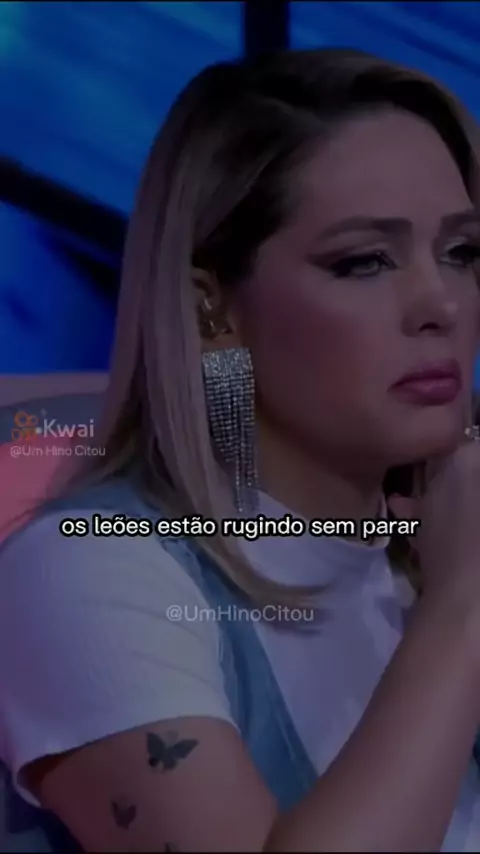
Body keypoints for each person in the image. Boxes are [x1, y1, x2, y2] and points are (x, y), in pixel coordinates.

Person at [1, 46, 480, 853]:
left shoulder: (430, 549)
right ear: (210, 308)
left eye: (464, 253)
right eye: (364, 261)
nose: (442, 304)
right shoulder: (89, 570)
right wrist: (464, 608)